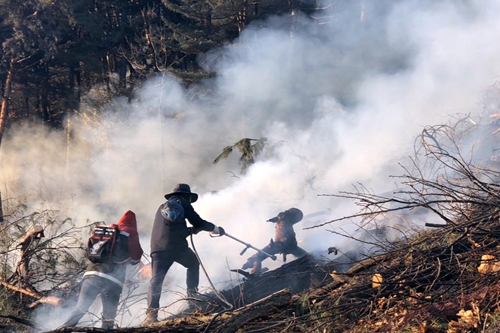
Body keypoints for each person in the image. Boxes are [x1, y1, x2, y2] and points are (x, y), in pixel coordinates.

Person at [143, 183, 225, 325]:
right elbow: (198, 222)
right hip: (177, 247)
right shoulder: (183, 203)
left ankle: (151, 315)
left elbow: (169, 229)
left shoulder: (161, 206)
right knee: (193, 264)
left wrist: (189, 231)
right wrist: (215, 229)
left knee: (156, 281)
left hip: (157, 249)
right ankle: (192, 297)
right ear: (187, 196)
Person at [62, 210, 144, 329]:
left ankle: (62, 330)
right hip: (112, 280)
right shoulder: (130, 232)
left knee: (80, 308)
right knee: (108, 318)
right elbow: (136, 257)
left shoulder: (106, 234)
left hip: (91, 275)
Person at [241, 207, 307, 277]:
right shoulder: (285, 218)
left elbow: (281, 217)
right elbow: (281, 218)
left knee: (258, 256)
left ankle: (254, 273)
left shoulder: (284, 217)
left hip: (280, 245)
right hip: (289, 245)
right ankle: (310, 259)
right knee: (304, 256)